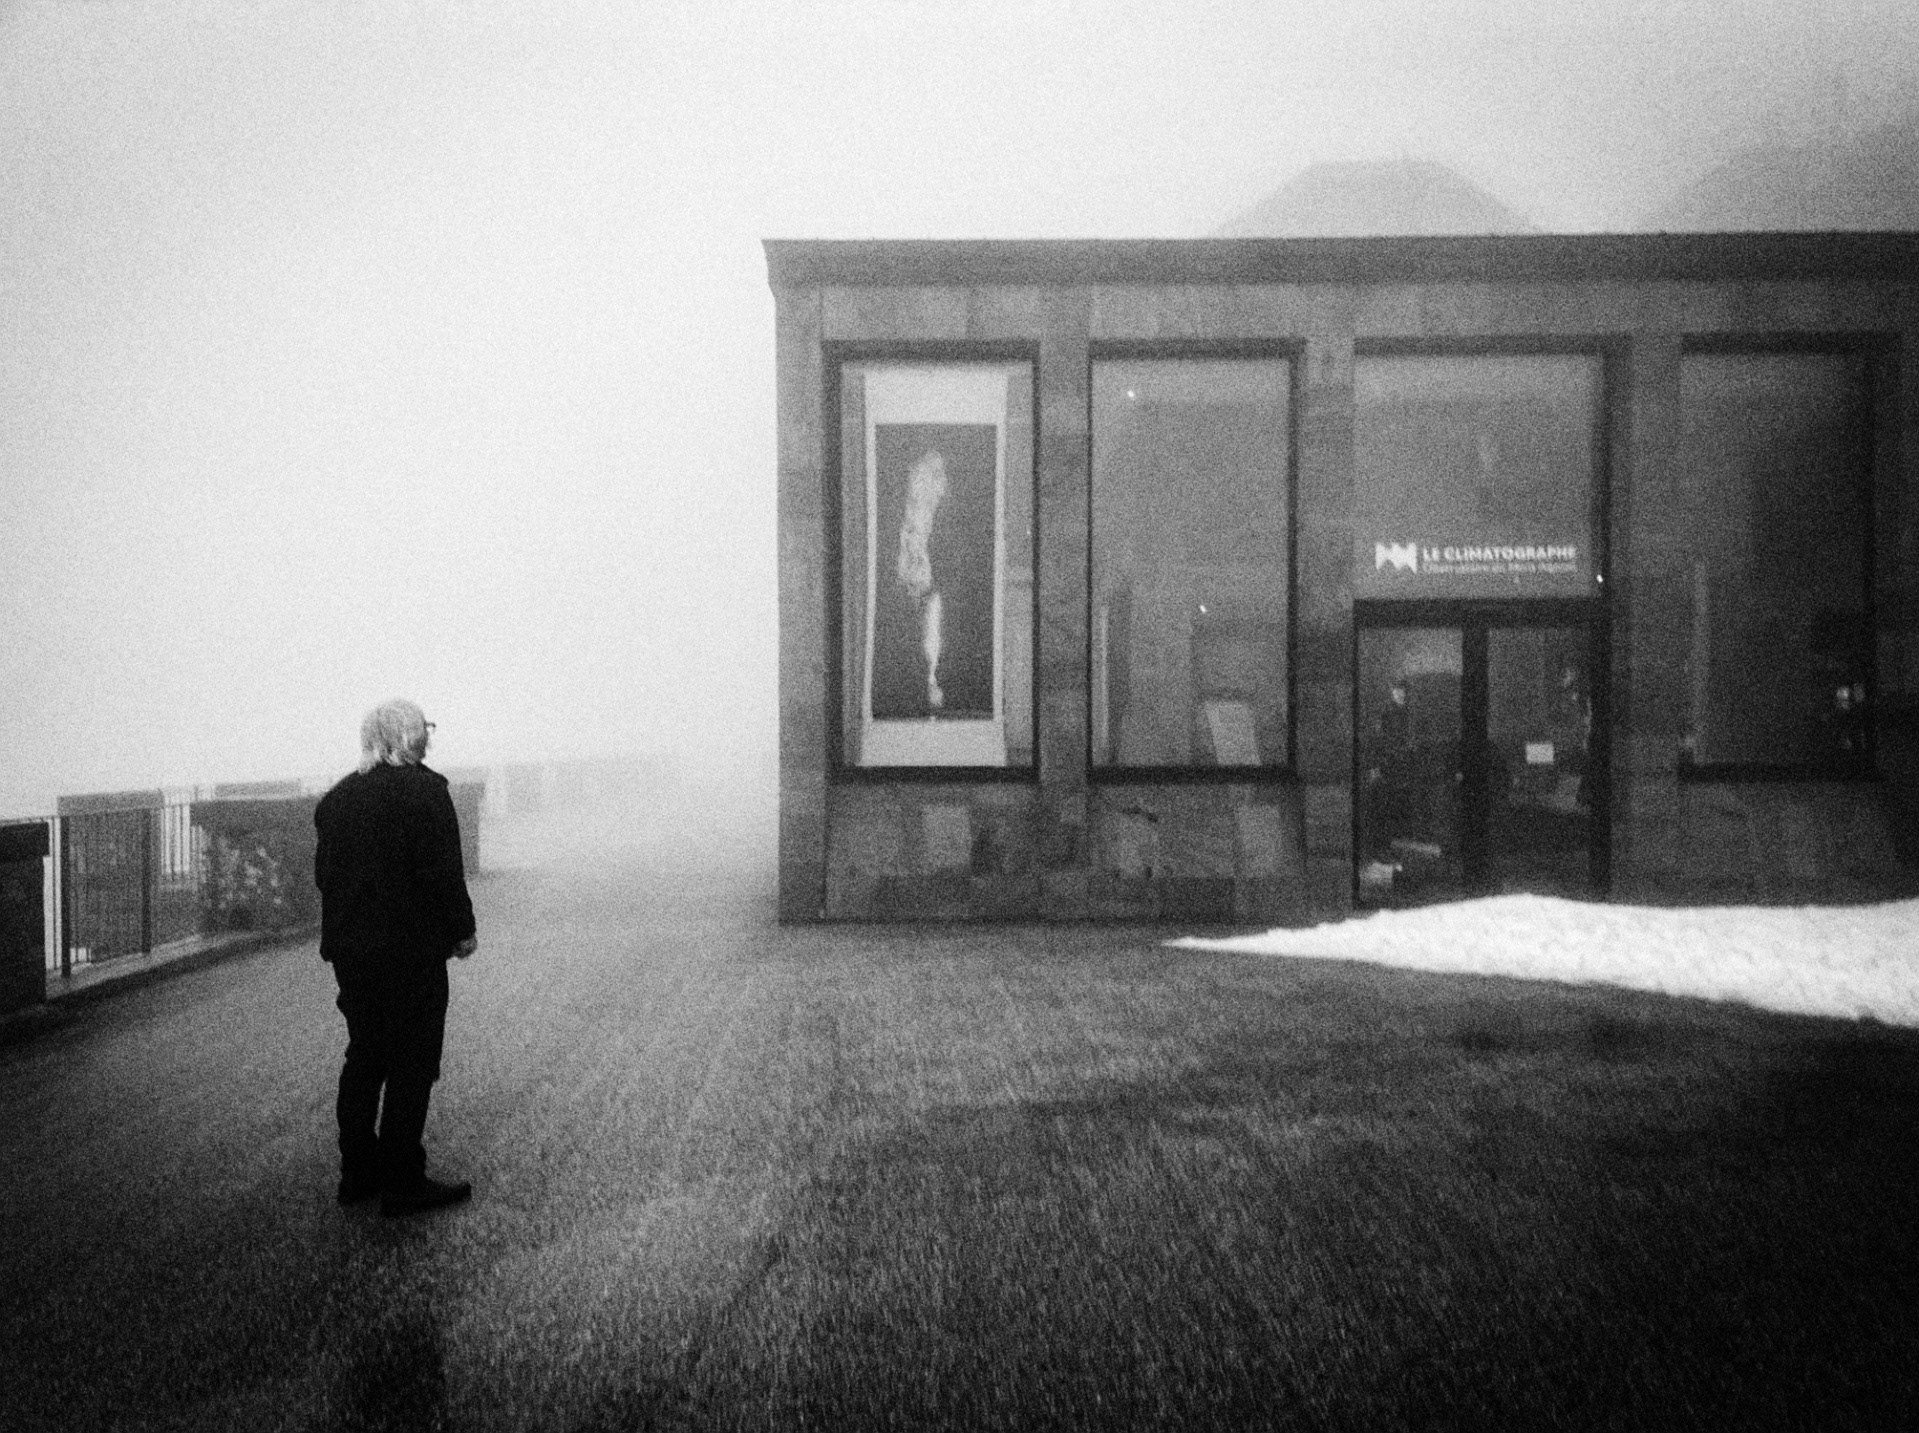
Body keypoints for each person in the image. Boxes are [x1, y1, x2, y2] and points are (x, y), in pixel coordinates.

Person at [314, 699, 477, 1216]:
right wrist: (462, 931)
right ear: (410, 737)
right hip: (410, 953)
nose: (428, 738)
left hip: (353, 954)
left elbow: (325, 878)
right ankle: (403, 1179)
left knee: (365, 1055)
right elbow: (442, 874)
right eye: (424, 730)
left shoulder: (337, 800)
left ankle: (357, 1174)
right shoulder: (427, 793)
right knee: (412, 1062)